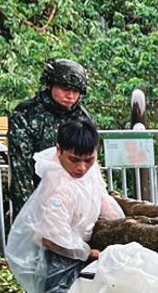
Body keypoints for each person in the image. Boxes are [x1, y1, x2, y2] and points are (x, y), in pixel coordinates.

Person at [5, 114, 124, 293]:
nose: (81, 168)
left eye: (89, 160)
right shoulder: (56, 187)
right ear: (59, 151)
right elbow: (53, 239)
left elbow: (100, 196)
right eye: (74, 160)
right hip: (56, 261)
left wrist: (120, 225)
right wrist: (89, 253)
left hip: (82, 249)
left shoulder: (90, 170)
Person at [7, 59, 93, 213]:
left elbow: (90, 163)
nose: (70, 96)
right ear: (51, 85)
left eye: (76, 91)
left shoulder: (82, 116)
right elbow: (21, 169)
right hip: (40, 194)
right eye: (65, 88)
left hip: (75, 197)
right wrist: (28, 211)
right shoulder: (27, 115)